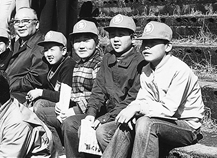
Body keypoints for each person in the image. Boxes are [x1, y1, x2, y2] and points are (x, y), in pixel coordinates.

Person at [102, 21, 205, 158]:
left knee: (145, 123)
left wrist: (138, 109)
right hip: (157, 120)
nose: (146, 47)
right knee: (111, 128)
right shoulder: (146, 69)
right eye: (144, 43)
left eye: (153, 43)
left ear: (167, 46)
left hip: (185, 126)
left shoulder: (179, 70)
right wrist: (134, 108)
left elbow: (169, 110)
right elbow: (142, 99)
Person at [62, 14, 146, 157]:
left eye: (121, 35)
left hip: (126, 117)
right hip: (107, 113)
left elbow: (132, 99)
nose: (116, 39)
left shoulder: (140, 63)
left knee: (101, 131)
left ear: (132, 37)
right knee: (71, 124)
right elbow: (98, 89)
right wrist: (91, 113)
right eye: (112, 35)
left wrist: (104, 118)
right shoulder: (108, 58)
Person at [37, 20, 102, 155]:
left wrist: (73, 110)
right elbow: (75, 92)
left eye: (86, 41)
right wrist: (62, 105)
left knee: (69, 122)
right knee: (41, 113)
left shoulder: (98, 64)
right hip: (77, 107)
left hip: (95, 111)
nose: (81, 46)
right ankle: (59, 152)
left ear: (97, 42)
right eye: (77, 41)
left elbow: (98, 95)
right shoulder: (78, 64)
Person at [5, 7, 48, 103]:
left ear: (36, 24)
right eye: (17, 22)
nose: (20, 25)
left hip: (25, 95)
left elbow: (37, 78)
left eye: (26, 21)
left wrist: (8, 85)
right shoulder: (18, 43)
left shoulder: (40, 46)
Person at [27, 30, 76, 113]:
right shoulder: (53, 64)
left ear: (63, 51)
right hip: (57, 101)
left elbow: (65, 96)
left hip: (68, 106)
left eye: (52, 49)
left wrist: (41, 92)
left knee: (40, 104)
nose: (48, 54)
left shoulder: (69, 65)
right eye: (45, 50)